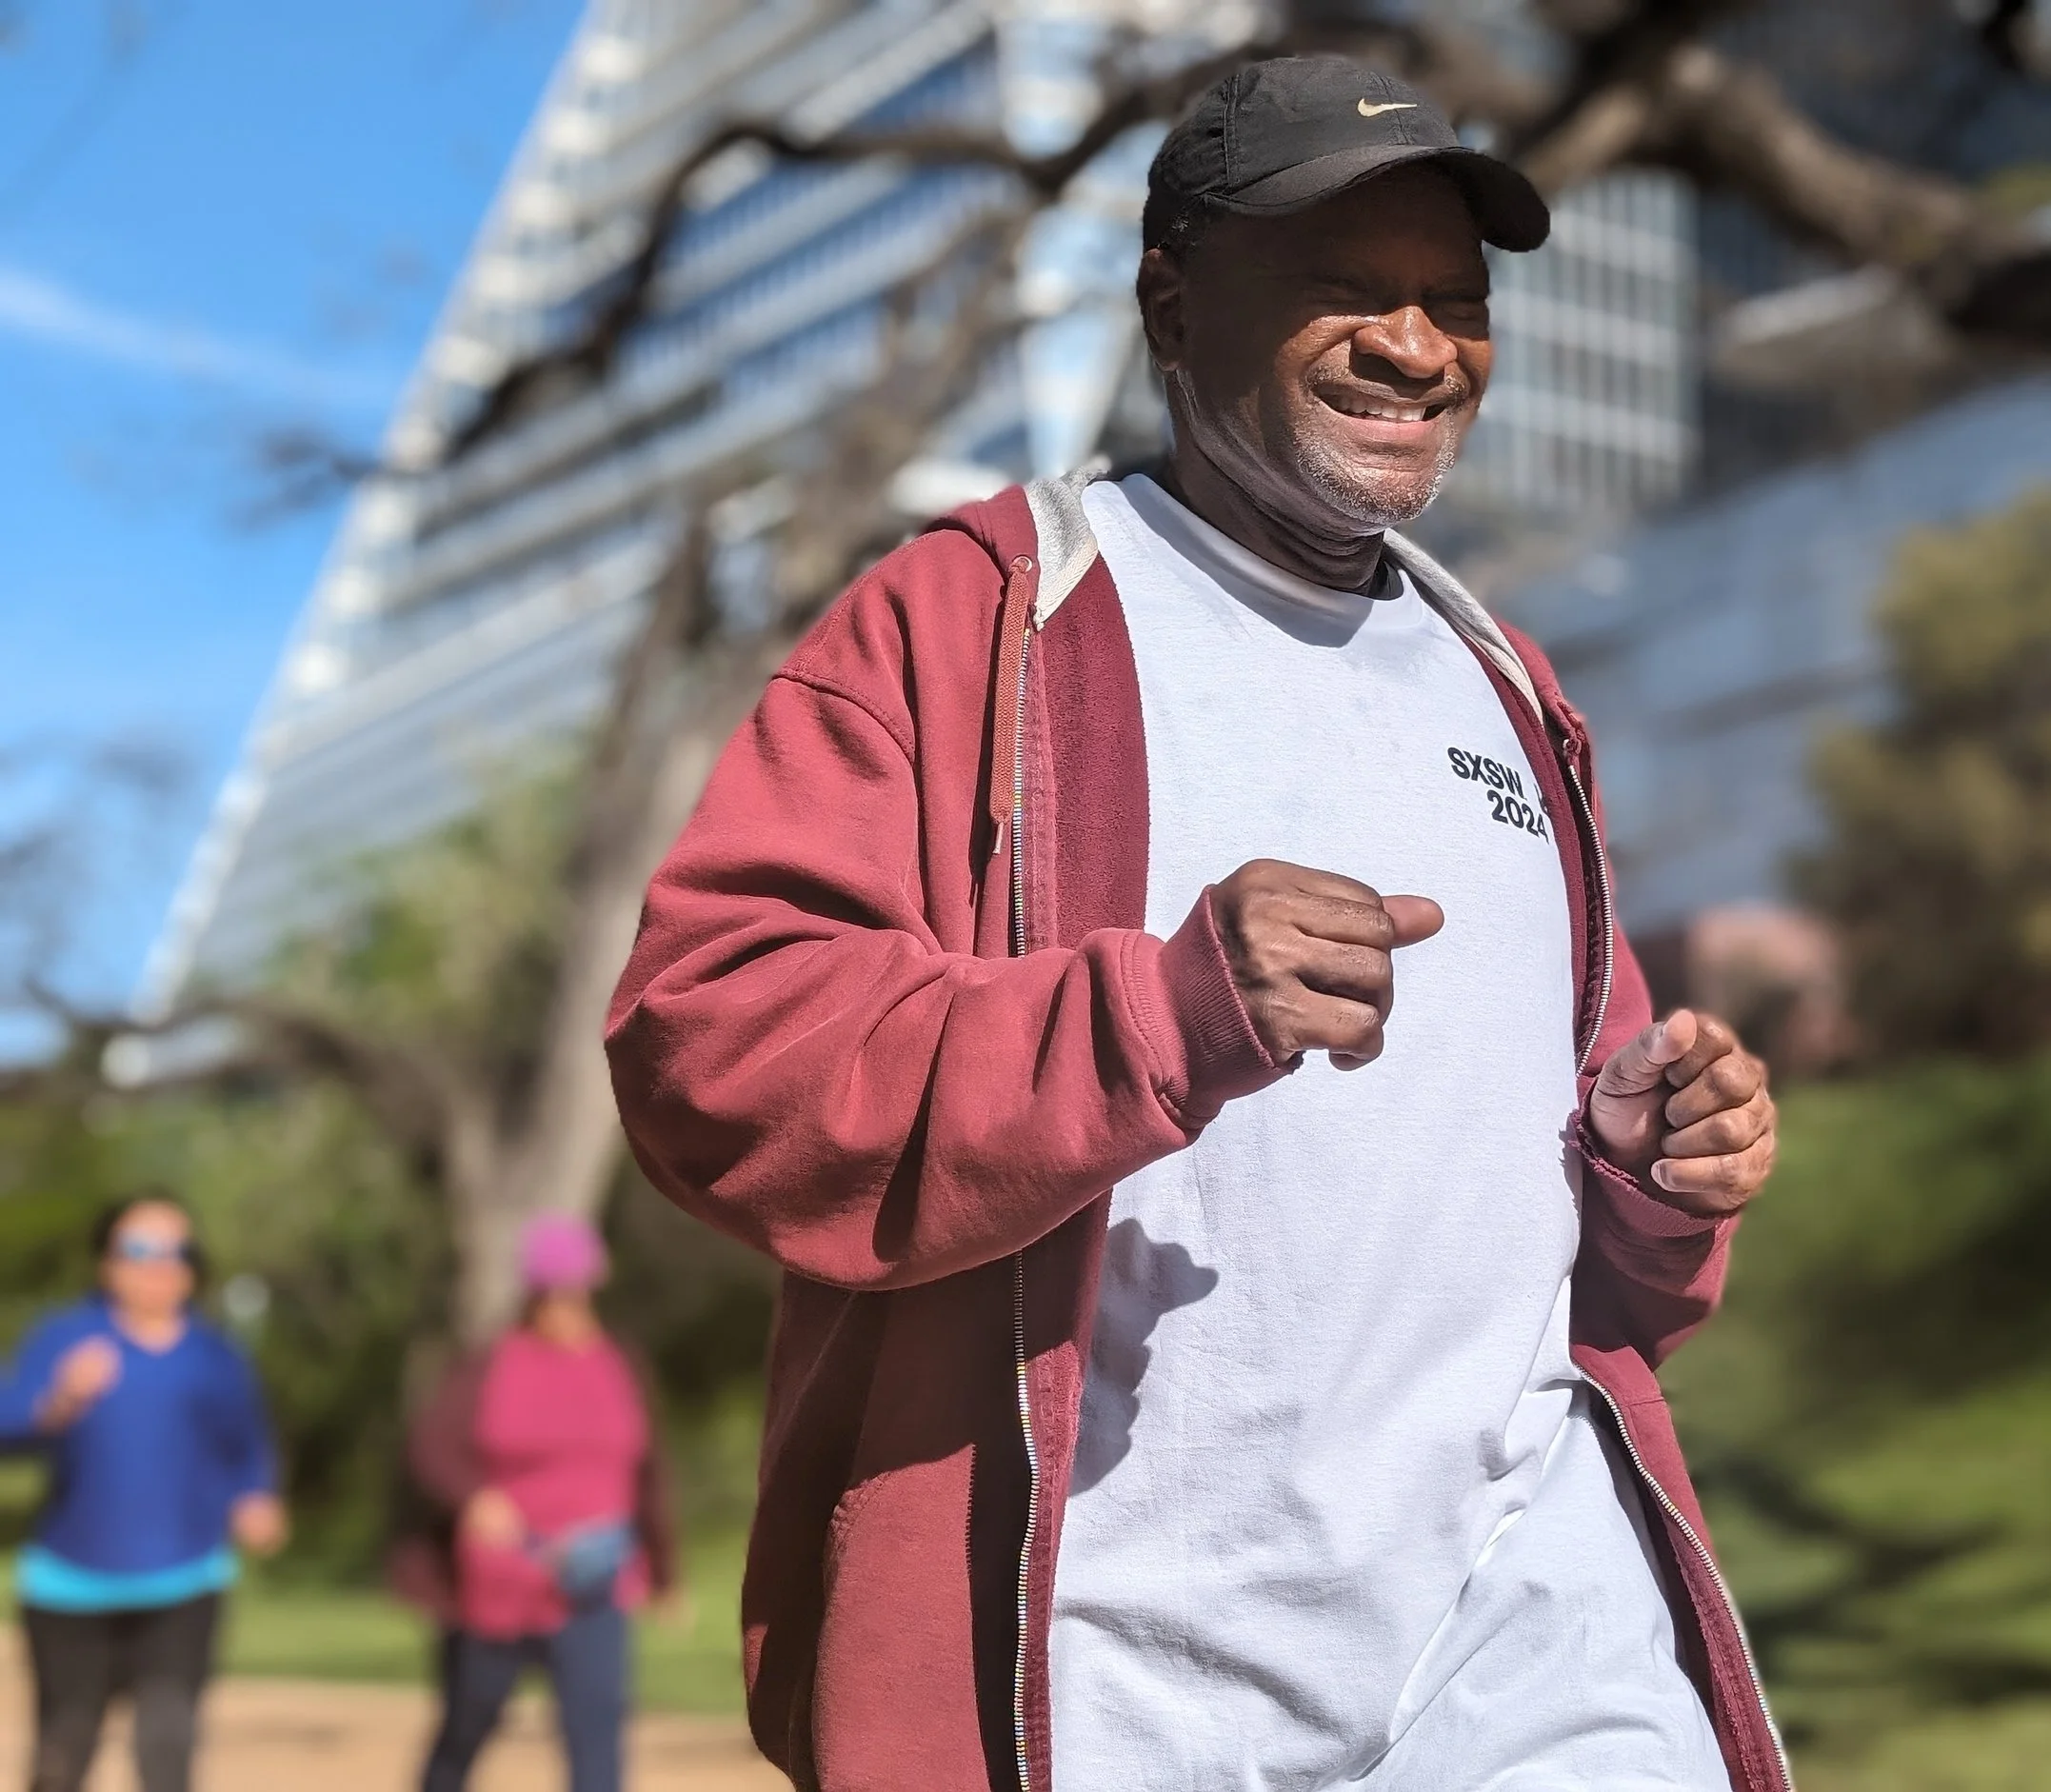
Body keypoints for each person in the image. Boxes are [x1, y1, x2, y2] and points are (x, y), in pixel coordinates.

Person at [607, 54, 1787, 1792]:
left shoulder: (1509, 683)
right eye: (1346, 288)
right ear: (1173, 304)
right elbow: (708, 1043)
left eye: (1456, 302)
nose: (1417, 346)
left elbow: (1582, 1250)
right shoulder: (980, 615)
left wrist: (1652, 1163)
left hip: (1529, 1631)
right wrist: (1153, 1017)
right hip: (1119, 1669)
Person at [0, 1192, 287, 1792]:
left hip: (185, 1577)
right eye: (140, 1248)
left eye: (178, 1250)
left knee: (167, 1743)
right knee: (64, 1746)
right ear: (107, 1263)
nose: (161, 1263)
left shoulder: (214, 1354)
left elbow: (245, 1444)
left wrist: (255, 1495)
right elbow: (10, 1426)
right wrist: (59, 1400)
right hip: (70, 1583)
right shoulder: (66, 1338)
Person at [399, 1212, 677, 1792]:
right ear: (532, 1295)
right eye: (553, 1293)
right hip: (503, 1580)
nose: (565, 1306)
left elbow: (648, 1471)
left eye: (576, 1292)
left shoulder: (617, 1364)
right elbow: (429, 1446)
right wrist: (474, 1498)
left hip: (597, 1582)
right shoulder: (490, 1364)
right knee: (468, 1724)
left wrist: (665, 1570)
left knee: (596, 1739)